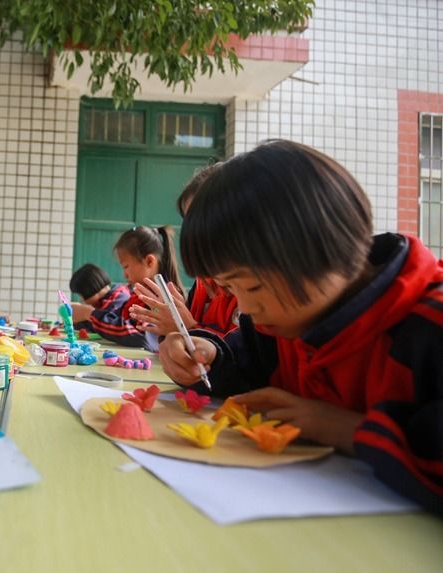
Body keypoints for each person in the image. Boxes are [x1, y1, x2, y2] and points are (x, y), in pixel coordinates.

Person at [159, 139, 443, 513]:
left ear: (320, 249)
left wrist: (345, 430)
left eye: (253, 286)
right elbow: (242, 364)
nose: (245, 307)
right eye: (230, 289)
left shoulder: (428, 326)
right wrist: (204, 354)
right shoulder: (284, 324)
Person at [130, 165, 238, 337]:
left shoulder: (249, 288)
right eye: (190, 222)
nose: (195, 232)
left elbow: (246, 357)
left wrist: (188, 328)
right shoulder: (202, 284)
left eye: (204, 220)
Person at [97, 225, 182, 350]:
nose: (124, 274)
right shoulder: (139, 294)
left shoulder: (165, 298)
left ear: (149, 261)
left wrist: (91, 316)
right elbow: (120, 319)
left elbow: (140, 335)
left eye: (126, 266)